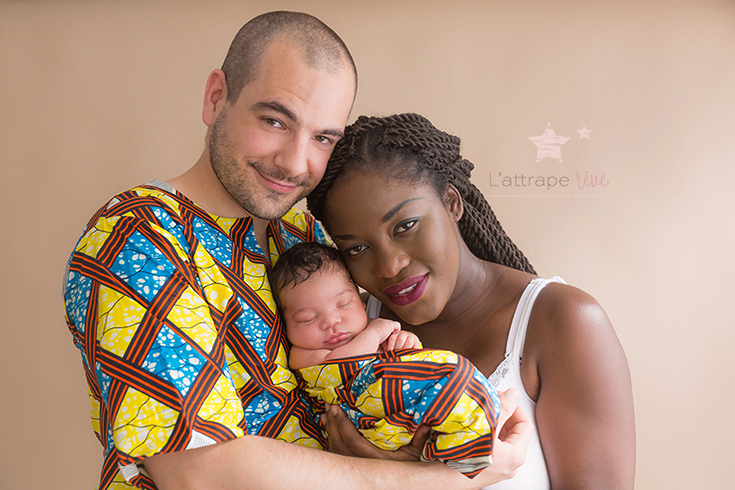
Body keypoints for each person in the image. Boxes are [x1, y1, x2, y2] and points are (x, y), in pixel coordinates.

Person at [63, 12, 531, 490]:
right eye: (274, 120)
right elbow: (198, 472)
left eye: (323, 137)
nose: (294, 162)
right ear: (216, 97)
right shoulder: (135, 234)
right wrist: (451, 481)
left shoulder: (303, 233)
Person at [306, 113, 636, 489]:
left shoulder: (562, 321)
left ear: (451, 203)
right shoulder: (351, 335)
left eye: (405, 226)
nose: (388, 266)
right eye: (358, 248)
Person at [270, 241, 502, 477]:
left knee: (454, 372)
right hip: (362, 417)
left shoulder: (366, 329)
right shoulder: (303, 353)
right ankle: (467, 451)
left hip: (394, 409)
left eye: (344, 304)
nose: (331, 322)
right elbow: (342, 365)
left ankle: (466, 445)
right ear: (286, 325)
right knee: (449, 379)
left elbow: (400, 356)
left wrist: (404, 341)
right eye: (307, 318)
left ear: (361, 303)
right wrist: (375, 333)